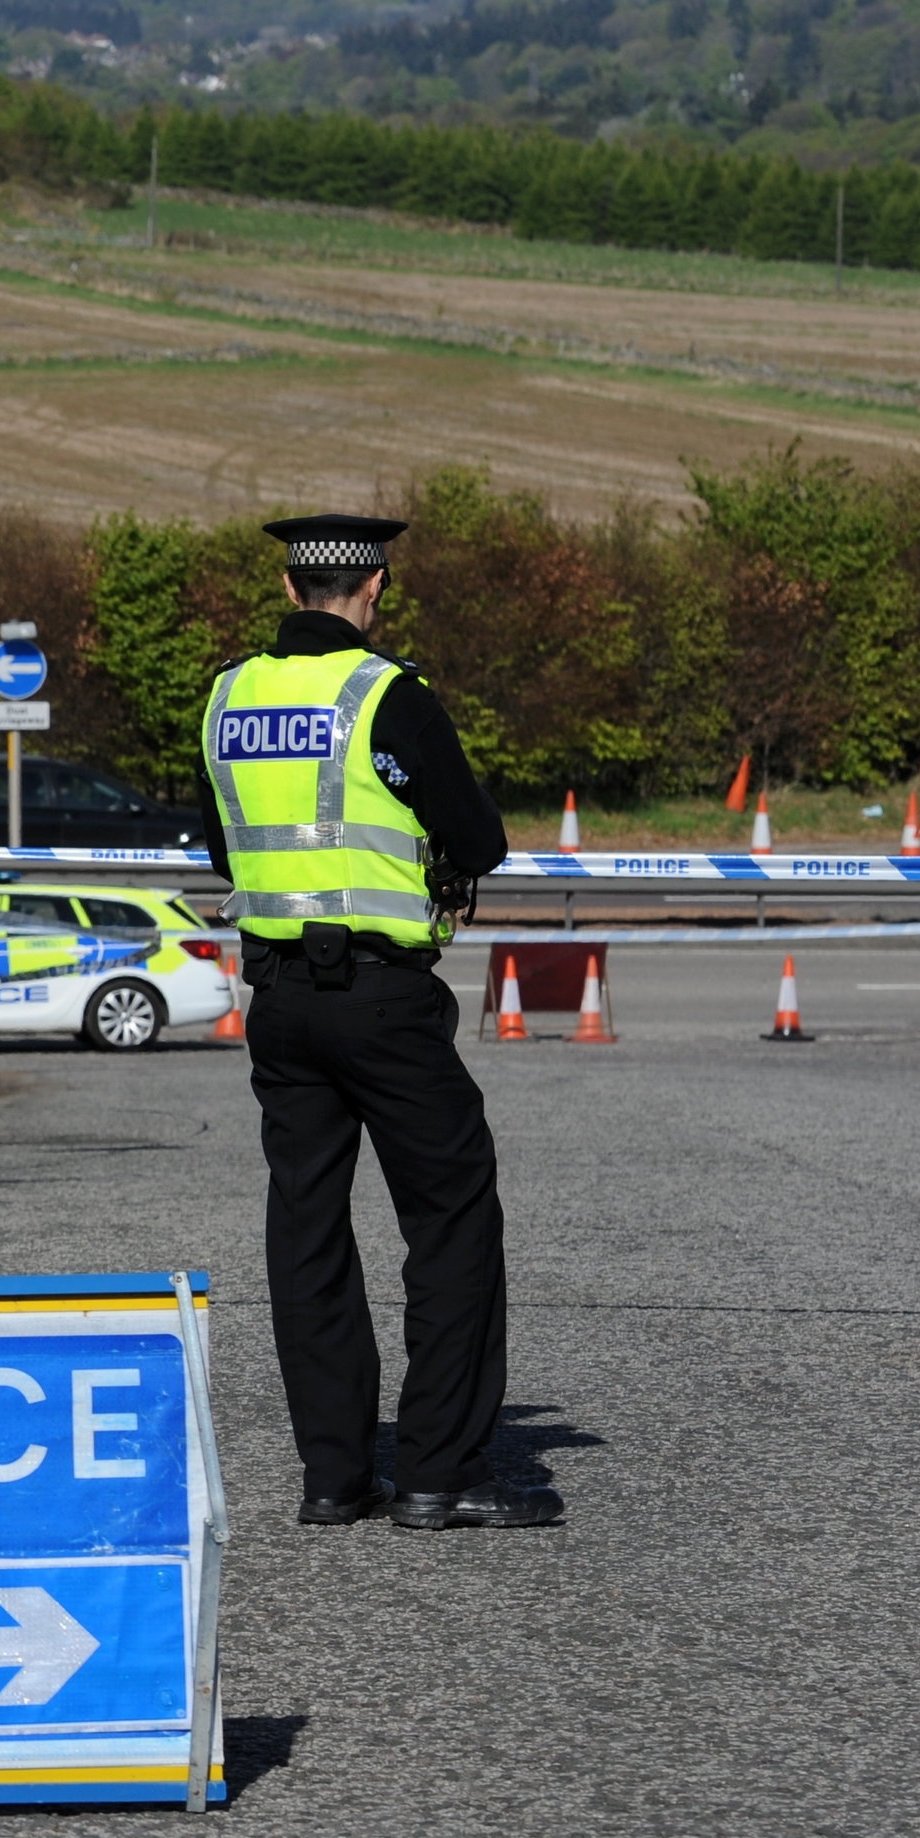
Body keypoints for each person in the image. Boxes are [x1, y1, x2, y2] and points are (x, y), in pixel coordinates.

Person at [194, 513, 563, 1531]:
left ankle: (335, 1475)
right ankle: (441, 1470)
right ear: (378, 586)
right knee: (450, 1215)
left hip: (277, 1000)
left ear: (287, 581)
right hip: (382, 997)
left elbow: (233, 852)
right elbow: (477, 838)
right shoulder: (386, 695)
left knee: (305, 1229)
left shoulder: (229, 695)